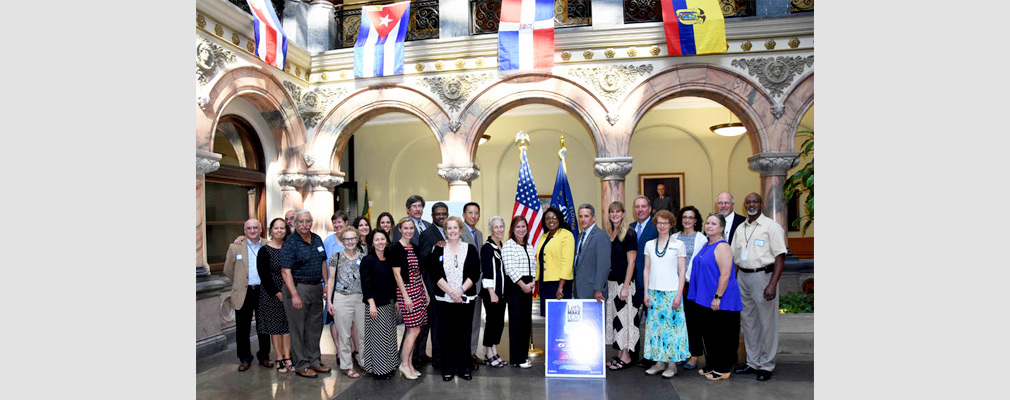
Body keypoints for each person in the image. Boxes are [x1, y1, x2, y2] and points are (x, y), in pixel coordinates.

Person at [730, 193, 787, 382]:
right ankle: (753, 362)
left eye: (755, 201)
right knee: (749, 322)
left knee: (767, 323)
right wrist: (732, 283)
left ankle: (767, 364)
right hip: (743, 278)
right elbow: (735, 258)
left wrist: (772, 284)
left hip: (763, 277)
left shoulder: (772, 227)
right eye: (748, 202)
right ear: (744, 205)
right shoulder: (740, 228)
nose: (751, 204)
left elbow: (780, 257)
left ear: (761, 204)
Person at [424, 216, 481, 381]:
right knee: (446, 335)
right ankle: (448, 368)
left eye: (455, 228)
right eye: (449, 228)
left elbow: (474, 273)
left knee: (464, 334)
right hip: (444, 300)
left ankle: (464, 368)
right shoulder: (439, 249)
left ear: (460, 230)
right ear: (445, 231)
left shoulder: (470, 249)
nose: (452, 231)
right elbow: (436, 274)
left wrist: (460, 290)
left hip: (465, 299)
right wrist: (451, 292)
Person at [687, 213, 742, 381]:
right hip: (704, 298)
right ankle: (711, 364)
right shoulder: (706, 244)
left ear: (722, 228)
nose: (709, 226)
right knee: (709, 334)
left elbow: (725, 275)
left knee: (722, 335)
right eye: (708, 223)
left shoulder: (722, 246)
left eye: (714, 224)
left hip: (721, 299)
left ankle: (723, 368)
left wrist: (718, 296)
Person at [279, 210, 331, 378]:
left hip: (316, 287)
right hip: (298, 287)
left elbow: (323, 262)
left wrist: (326, 284)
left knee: (315, 328)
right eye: (300, 221)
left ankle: (314, 361)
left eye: (307, 221)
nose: (304, 224)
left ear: (311, 222)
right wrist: (294, 295)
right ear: (295, 222)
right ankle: (301, 364)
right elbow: (285, 271)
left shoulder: (317, 239)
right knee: (298, 328)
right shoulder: (290, 243)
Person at [642, 210, 689, 379]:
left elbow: (682, 271)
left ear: (671, 224)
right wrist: (646, 292)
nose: (662, 226)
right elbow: (646, 269)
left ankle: (672, 365)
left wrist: (679, 295)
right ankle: (659, 363)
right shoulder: (649, 244)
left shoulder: (678, 244)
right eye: (659, 223)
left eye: (665, 223)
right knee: (656, 330)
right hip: (654, 293)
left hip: (671, 293)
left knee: (672, 331)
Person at [223, 218, 272, 371]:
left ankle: (264, 356)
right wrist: (239, 282)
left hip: (262, 291)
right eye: (249, 228)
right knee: (242, 327)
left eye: (255, 228)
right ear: (245, 231)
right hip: (243, 291)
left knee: (263, 326)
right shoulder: (235, 247)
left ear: (260, 229)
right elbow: (227, 270)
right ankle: (244, 358)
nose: (252, 231)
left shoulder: (268, 245)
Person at [389, 217, 429, 380]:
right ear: (400, 229)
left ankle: (410, 363)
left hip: (418, 288)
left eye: (411, 228)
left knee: (416, 329)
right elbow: (397, 275)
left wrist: (425, 291)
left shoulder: (414, 247)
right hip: (406, 291)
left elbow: (418, 272)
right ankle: (404, 364)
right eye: (405, 228)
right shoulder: (396, 248)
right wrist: (405, 297)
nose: (409, 231)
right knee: (413, 329)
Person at [325, 227, 366, 379]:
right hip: (341, 298)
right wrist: (329, 301)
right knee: (345, 334)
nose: (350, 242)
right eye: (347, 239)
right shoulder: (336, 257)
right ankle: (347, 366)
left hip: (361, 299)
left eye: (353, 238)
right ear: (342, 241)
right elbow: (330, 279)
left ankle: (363, 361)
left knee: (362, 333)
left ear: (357, 239)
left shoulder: (364, 256)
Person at [359, 229, 400, 379]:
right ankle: (381, 370)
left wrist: (395, 301)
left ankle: (389, 365)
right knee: (378, 339)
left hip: (388, 302)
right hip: (376, 305)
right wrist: (372, 304)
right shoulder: (368, 260)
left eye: (383, 239)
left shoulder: (388, 258)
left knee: (389, 336)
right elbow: (366, 284)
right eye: (377, 240)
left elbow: (392, 282)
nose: (380, 242)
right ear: (371, 243)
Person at [603, 202, 639, 371]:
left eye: (618, 211)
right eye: (612, 211)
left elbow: (631, 262)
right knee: (616, 320)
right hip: (612, 283)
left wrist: (625, 286)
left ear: (624, 214)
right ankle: (619, 354)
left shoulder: (629, 233)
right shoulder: (611, 233)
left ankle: (626, 356)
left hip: (623, 284)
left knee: (625, 320)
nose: (615, 214)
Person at [413, 201, 449, 366]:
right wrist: (435, 248)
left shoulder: (450, 231)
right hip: (432, 285)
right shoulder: (428, 234)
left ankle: (436, 354)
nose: (441, 217)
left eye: (444, 214)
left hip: (447, 285)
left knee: (441, 322)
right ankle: (435, 357)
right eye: (438, 214)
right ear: (432, 216)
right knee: (432, 322)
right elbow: (422, 259)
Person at [256, 218, 294, 373]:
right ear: (271, 230)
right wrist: (277, 293)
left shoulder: (289, 248)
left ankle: (288, 357)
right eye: (276, 228)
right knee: (275, 328)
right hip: (271, 294)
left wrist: (291, 292)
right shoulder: (264, 250)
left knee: (287, 327)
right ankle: (279, 357)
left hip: (289, 291)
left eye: (282, 228)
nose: (279, 231)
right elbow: (263, 275)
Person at [675, 206, 707, 370]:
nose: (687, 220)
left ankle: (695, 356)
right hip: (674, 285)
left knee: (693, 322)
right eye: (684, 217)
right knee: (679, 322)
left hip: (691, 285)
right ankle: (683, 353)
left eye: (690, 217)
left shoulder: (701, 238)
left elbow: (696, 262)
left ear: (696, 220)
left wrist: (683, 279)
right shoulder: (674, 237)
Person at [502, 216, 536, 369]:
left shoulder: (529, 246)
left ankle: (523, 355)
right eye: (518, 227)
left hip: (528, 286)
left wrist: (533, 281)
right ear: (512, 229)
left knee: (526, 322)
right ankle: (517, 358)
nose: (521, 229)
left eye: (523, 226)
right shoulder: (508, 245)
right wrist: (523, 285)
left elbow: (534, 265)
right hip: (516, 287)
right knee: (517, 323)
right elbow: (510, 269)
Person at [628, 195, 658, 366]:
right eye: (637, 206)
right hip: (631, 283)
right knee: (632, 321)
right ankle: (632, 354)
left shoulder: (657, 228)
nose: (640, 209)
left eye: (643, 206)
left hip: (650, 283)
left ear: (650, 208)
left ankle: (651, 357)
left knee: (651, 322)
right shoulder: (630, 227)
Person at [479, 216, 508, 368]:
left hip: (502, 293)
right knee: (492, 323)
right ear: (490, 229)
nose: (499, 230)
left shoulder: (501, 245)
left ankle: (494, 350)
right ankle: (488, 352)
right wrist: (492, 292)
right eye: (496, 227)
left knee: (499, 323)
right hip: (492, 293)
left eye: (501, 226)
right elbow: (487, 271)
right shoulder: (487, 247)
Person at [536, 207, 574, 316]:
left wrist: (561, 286)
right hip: (545, 283)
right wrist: (538, 282)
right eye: (547, 218)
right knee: (549, 316)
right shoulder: (544, 236)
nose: (550, 221)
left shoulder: (566, 235)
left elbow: (567, 262)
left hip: (559, 283)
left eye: (553, 217)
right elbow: (540, 260)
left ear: (559, 219)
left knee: (559, 316)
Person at [459, 202, 484, 368]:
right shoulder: (458, 232)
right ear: (463, 215)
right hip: (462, 285)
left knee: (475, 320)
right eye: (470, 212)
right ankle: (462, 354)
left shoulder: (480, 234)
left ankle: (472, 352)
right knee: (463, 322)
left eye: (476, 213)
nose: (473, 216)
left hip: (478, 284)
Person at [322, 211, 349, 360]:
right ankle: (339, 350)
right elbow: (324, 265)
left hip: (351, 287)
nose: (337, 225)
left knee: (349, 320)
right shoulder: (328, 242)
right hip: (333, 286)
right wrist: (325, 285)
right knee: (334, 320)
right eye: (335, 223)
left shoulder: (351, 239)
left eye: (340, 222)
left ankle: (350, 349)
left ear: (346, 223)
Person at [573, 204, 611, 303]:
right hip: (579, 289)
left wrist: (598, 289)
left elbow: (604, 265)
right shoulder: (581, 236)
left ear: (593, 218)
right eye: (580, 216)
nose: (583, 219)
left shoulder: (600, 236)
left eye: (586, 216)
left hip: (594, 291)